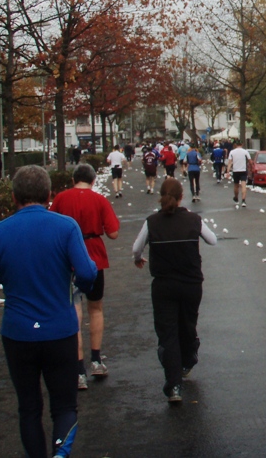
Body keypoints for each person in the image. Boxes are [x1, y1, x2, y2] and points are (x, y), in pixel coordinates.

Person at [0, 165, 97, 458]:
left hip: (18, 333)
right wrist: (78, 279)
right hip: (60, 330)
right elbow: (87, 275)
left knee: (28, 408)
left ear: (14, 198)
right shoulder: (66, 228)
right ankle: (60, 454)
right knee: (64, 406)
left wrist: (1, 279)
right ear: (50, 196)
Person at [132, 178, 217, 403]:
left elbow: (136, 248)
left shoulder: (152, 222)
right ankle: (189, 355)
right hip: (191, 284)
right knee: (188, 324)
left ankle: (174, 385)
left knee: (167, 333)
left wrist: (139, 258)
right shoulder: (193, 219)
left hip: (164, 285)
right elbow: (213, 240)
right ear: (181, 197)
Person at [50, 164, 120, 390]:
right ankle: (97, 360)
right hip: (94, 256)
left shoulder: (61, 199)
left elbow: (49, 224)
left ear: (73, 180)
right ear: (92, 181)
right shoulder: (99, 200)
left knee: (74, 311)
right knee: (96, 308)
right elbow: (113, 233)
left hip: (67, 259)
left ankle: (78, 370)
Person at [227, 140, 252, 208]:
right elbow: (250, 161)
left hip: (235, 170)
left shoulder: (232, 152)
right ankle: (243, 200)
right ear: (242, 144)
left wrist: (228, 171)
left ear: (235, 144)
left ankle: (236, 198)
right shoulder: (245, 151)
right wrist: (251, 168)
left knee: (236, 185)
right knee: (243, 185)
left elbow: (230, 162)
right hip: (243, 170)